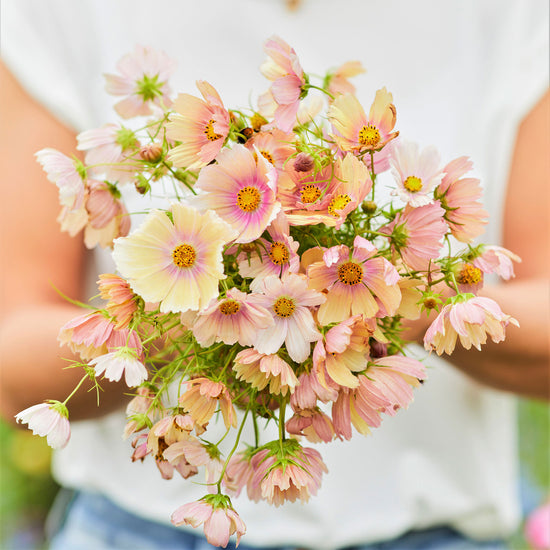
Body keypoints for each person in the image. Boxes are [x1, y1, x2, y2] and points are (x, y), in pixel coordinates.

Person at [1, 0, 548, 549]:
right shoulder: (65, 11)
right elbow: (11, 354)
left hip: (433, 534)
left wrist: (392, 302)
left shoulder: (513, 15)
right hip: (143, 532)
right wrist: (201, 315)